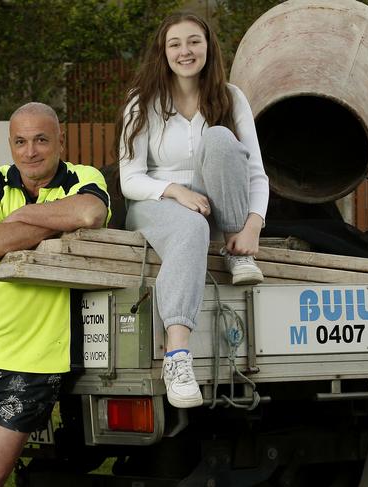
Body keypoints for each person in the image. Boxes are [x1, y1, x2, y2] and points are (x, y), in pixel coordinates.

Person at [116, 12, 270, 408]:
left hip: (219, 211)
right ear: (163, 52)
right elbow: (129, 179)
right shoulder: (143, 101)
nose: (185, 51)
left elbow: (254, 172)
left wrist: (252, 225)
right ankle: (177, 355)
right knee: (189, 227)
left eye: (193, 41)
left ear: (208, 47)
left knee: (220, 139)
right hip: (156, 204)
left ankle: (237, 252)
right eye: (175, 44)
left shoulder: (231, 97)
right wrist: (174, 191)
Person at [0, 102, 110, 487]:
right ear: (10, 145)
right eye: (21, 142)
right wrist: (55, 225)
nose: (31, 151)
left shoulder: (83, 177)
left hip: (38, 355)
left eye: (41, 140)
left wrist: (15, 221)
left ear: (61, 139)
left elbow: (89, 213)